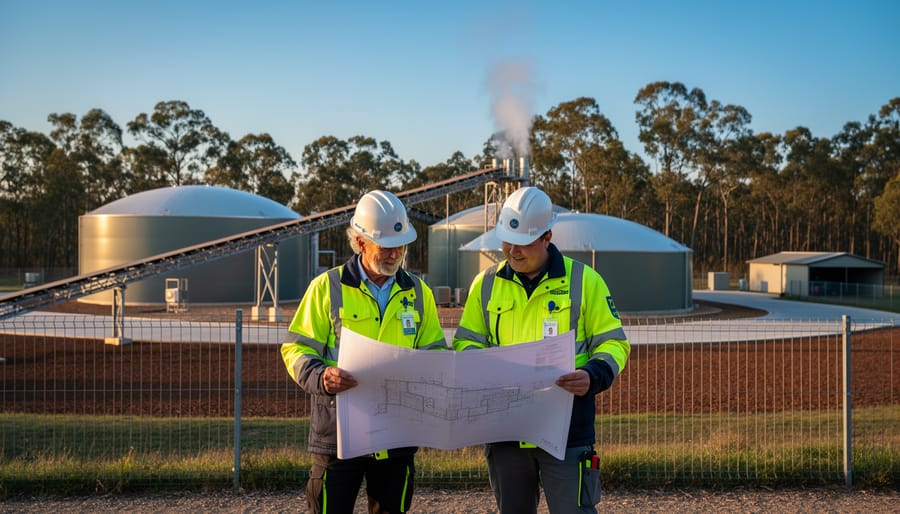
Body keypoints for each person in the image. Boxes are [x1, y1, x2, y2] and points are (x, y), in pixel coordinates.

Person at [452, 186, 630, 514]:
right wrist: (480, 364)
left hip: (567, 431)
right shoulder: (485, 284)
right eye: (507, 241)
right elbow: (465, 342)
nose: (513, 251)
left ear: (547, 237)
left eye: (524, 244)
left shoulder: (584, 281)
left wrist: (594, 375)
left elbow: (613, 342)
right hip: (505, 430)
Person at [281, 189, 447, 514]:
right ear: (360, 243)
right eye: (386, 246)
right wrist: (322, 377)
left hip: (396, 433)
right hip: (338, 434)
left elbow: (435, 351)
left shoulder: (418, 292)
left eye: (401, 246)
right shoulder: (327, 288)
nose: (396, 253)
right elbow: (296, 348)